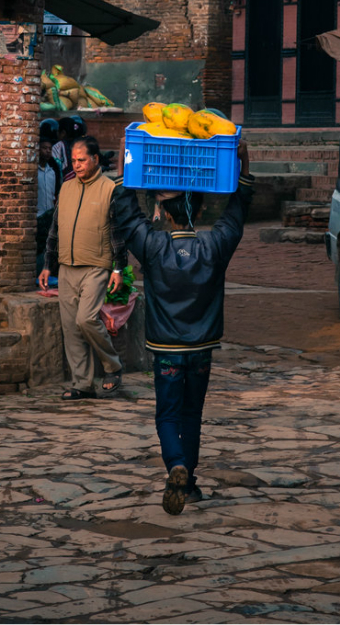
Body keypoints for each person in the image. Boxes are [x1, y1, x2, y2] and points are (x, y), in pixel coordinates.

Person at [113, 140, 254, 515]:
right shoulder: (215, 245)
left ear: (161, 211)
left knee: (168, 414)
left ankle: (176, 464)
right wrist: (244, 165)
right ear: (202, 208)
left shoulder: (154, 247)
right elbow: (238, 211)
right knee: (192, 414)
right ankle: (188, 484)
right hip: (202, 350)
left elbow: (126, 216)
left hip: (166, 350)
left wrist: (128, 166)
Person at [39, 135, 126, 400]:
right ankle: (82, 384)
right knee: (71, 327)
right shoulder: (66, 188)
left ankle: (112, 366)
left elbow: (118, 233)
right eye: (74, 160)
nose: (76, 165)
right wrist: (47, 266)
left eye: (82, 160)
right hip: (66, 266)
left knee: (86, 319)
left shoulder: (110, 189)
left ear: (95, 159)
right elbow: (55, 230)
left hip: (97, 265)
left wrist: (118, 269)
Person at [36, 138, 62, 275]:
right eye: (44, 148)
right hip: (37, 216)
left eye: (49, 149)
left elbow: (56, 193)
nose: (47, 151)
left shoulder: (53, 171)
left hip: (50, 215)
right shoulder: (34, 171)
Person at [52, 116, 86, 181]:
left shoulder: (59, 146)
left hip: (65, 184)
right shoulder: (83, 145)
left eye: (58, 131)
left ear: (63, 133)